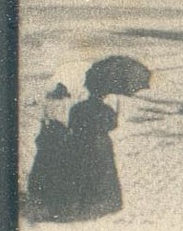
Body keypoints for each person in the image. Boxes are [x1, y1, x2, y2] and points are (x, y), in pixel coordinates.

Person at [64, 87, 124, 221]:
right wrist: (116, 114)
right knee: (103, 173)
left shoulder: (77, 107)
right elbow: (112, 126)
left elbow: (71, 125)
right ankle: (104, 204)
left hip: (80, 145)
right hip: (100, 145)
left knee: (82, 172)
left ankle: (81, 203)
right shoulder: (107, 109)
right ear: (102, 96)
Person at [26, 84, 75, 221]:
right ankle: (57, 201)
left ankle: (41, 198)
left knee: (43, 166)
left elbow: (43, 121)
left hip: (48, 135)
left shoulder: (48, 103)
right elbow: (68, 123)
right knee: (59, 167)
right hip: (59, 135)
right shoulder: (66, 104)